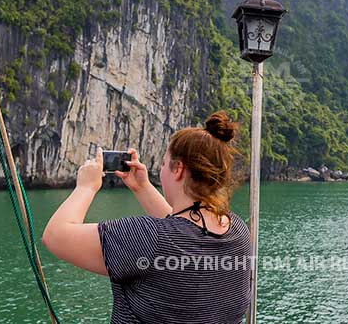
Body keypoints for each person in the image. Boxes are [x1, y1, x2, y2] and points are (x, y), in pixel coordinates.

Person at [42, 111, 252, 324]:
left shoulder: (146, 238)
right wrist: (142, 187)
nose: (160, 171)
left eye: (163, 164)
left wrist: (86, 186)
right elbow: (183, 231)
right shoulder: (238, 232)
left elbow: (55, 235)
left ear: (178, 169)